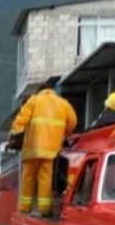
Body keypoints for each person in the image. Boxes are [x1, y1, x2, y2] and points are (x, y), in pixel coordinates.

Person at [9, 78, 77, 217]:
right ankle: (44, 209)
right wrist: (65, 133)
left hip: (32, 148)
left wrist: (14, 134)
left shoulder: (34, 101)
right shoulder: (63, 104)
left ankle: (25, 207)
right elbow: (73, 122)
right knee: (45, 178)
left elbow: (21, 119)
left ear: (40, 91)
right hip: (51, 149)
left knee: (28, 177)